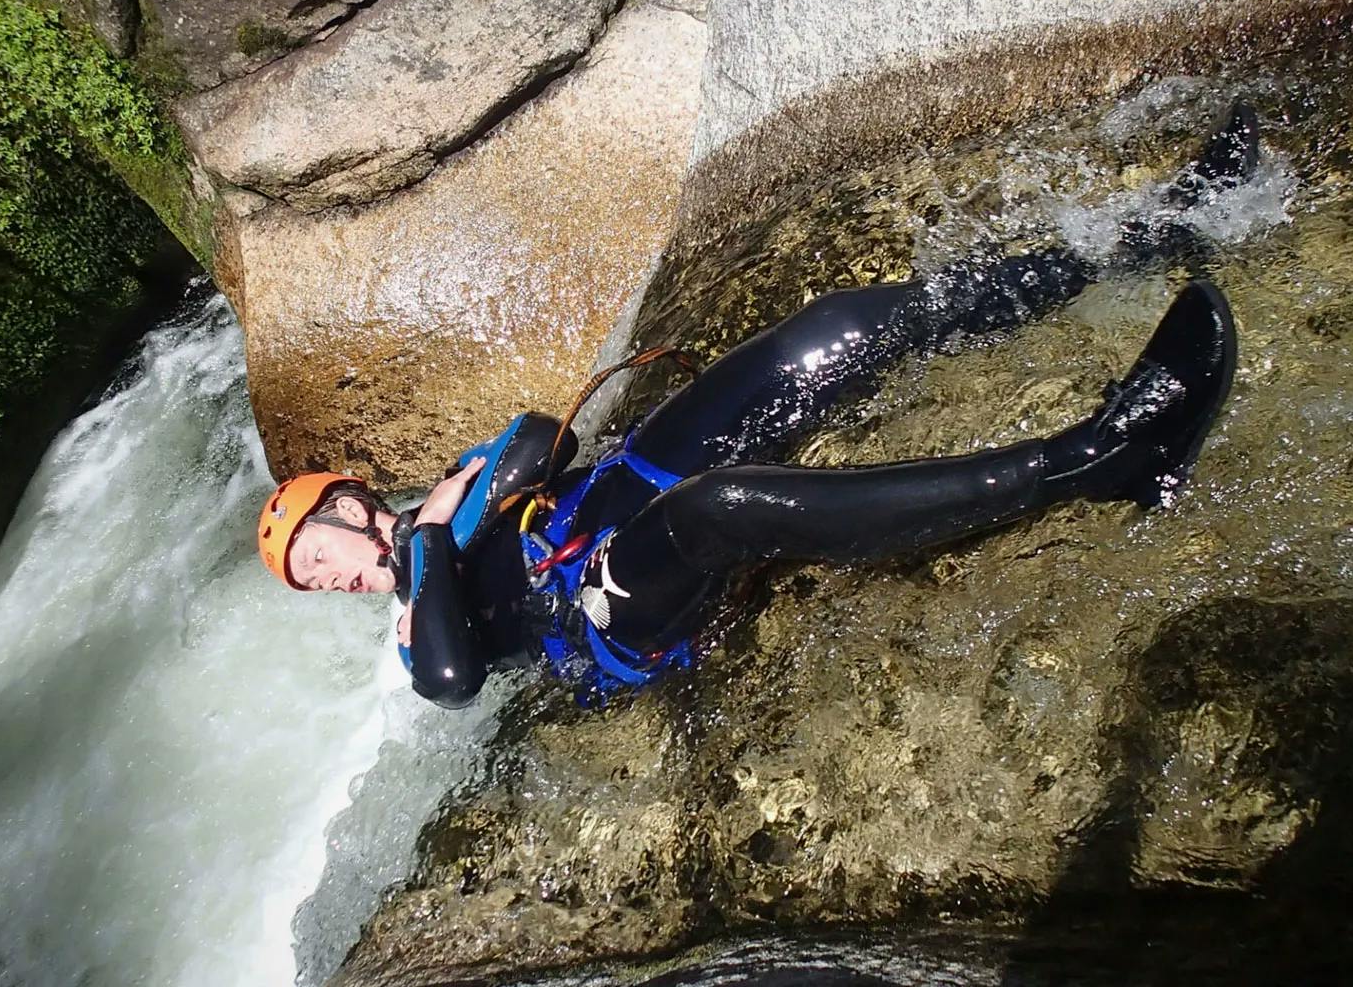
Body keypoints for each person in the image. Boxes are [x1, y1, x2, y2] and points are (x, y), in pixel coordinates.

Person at [257, 104, 1259, 709]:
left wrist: (467, 500)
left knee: (832, 331)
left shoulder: (446, 497)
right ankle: (1101, 458)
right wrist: (432, 537)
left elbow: (528, 443)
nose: (330, 581)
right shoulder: (413, 608)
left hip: (628, 473)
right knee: (721, 509)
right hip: (605, 605)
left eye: (317, 557)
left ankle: (1158, 225)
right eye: (312, 581)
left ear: (348, 507)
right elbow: (450, 677)